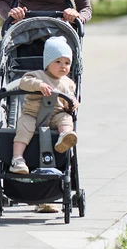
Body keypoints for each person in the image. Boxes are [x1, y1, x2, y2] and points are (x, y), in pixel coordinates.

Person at [0, 0, 91, 211]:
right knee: (20, 107)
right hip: (22, 42)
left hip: (57, 44)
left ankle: (50, 180)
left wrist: (76, 15)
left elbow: (87, 9)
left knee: (53, 111)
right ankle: (18, 168)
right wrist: (11, 12)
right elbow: (2, 2)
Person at [9, 36, 78, 175]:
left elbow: (67, 103)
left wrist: (72, 103)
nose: (63, 66)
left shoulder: (69, 83)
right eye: (58, 62)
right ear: (47, 63)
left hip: (55, 116)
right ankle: (17, 159)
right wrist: (38, 85)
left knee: (66, 118)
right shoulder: (38, 75)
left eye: (67, 62)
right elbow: (24, 82)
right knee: (24, 127)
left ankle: (64, 136)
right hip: (32, 114)